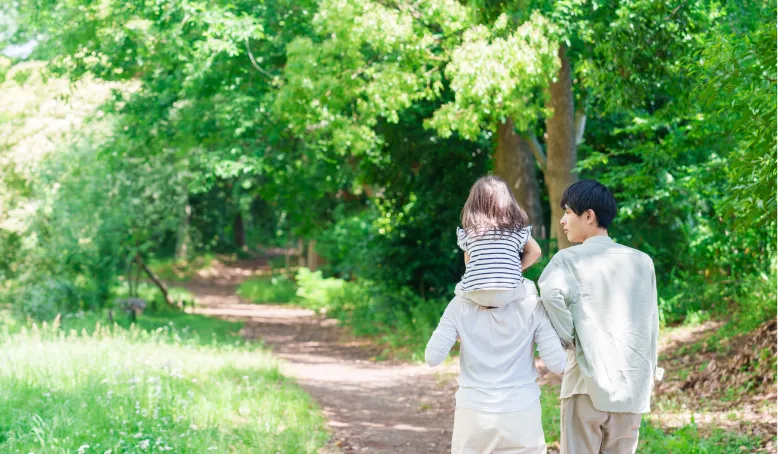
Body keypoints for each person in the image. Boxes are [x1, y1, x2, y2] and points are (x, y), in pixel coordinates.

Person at [425, 175, 566, 454]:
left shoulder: (459, 305)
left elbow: (432, 357)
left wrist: (462, 335)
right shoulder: (531, 303)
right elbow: (558, 364)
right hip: (521, 413)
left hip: (473, 415)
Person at [538, 180, 662, 454]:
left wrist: (571, 339)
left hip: (584, 383)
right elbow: (651, 323)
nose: (562, 221)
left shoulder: (566, 260)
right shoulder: (642, 261)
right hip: (631, 385)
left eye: (567, 212)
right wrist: (651, 373)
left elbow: (549, 294)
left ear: (588, 216)